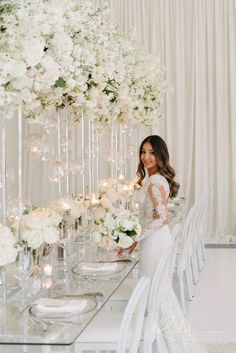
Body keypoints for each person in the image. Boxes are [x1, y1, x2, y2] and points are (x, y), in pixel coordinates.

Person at [118, 135, 206, 353]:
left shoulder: (154, 182)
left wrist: (135, 238)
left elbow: (161, 218)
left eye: (151, 153)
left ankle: (167, 345)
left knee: (156, 294)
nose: (146, 157)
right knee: (158, 293)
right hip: (158, 241)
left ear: (160, 156)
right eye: (143, 152)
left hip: (155, 244)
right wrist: (133, 242)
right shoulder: (157, 179)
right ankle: (158, 343)